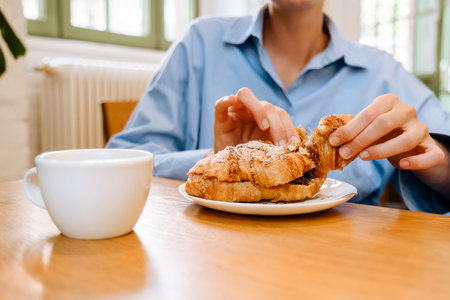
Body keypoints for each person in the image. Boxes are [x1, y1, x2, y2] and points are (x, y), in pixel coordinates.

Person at [107, 0, 450, 214]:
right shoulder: (199, 44)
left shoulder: (383, 71)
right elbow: (115, 167)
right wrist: (223, 165)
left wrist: (435, 161)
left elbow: (440, 159)